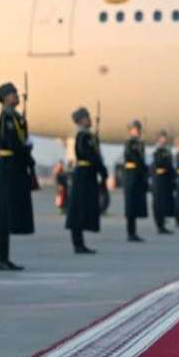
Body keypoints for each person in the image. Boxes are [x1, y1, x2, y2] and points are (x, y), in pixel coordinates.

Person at [0, 82, 32, 271]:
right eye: (12, 93)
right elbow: (13, 143)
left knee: (8, 214)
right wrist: (26, 149)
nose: (16, 96)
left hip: (14, 167)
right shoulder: (7, 118)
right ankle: (0, 258)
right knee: (3, 214)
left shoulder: (15, 117)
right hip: (8, 168)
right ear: (4, 98)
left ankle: (4, 258)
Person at [65, 107, 106, 254]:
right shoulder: (83, 136)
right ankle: (78, 244)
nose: (89, 119)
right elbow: (89, 155)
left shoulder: (88, 136)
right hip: (83, 175)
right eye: (86, 117)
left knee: (83, 209)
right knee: (78, 210)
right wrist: (101, 168)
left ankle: (80, 243)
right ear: (80, 121)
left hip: (88, 174)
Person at [122, 120, 148, 242]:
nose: (137, 131)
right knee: (131, 205)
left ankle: (133, 232)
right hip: (131, 175)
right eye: (135, 129)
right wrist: (139, 148)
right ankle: (130, 233)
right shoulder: (130, 143)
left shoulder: (139, 143)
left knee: (135, 205)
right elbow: (131, 157)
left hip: (137, 175)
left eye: (138, 129)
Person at [151, 130, 175, 235]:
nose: (164, 139)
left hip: (165, 180)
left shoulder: (166, 151)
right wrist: (166, 169)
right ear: (158, 139)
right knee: (158, 204)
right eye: (162, 137)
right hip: (159, 180)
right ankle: (159, 226)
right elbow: (158, 166)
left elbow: (170, 165)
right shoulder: (157, 150)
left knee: (164, 203)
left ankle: (162, 225)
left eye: (165, 137)